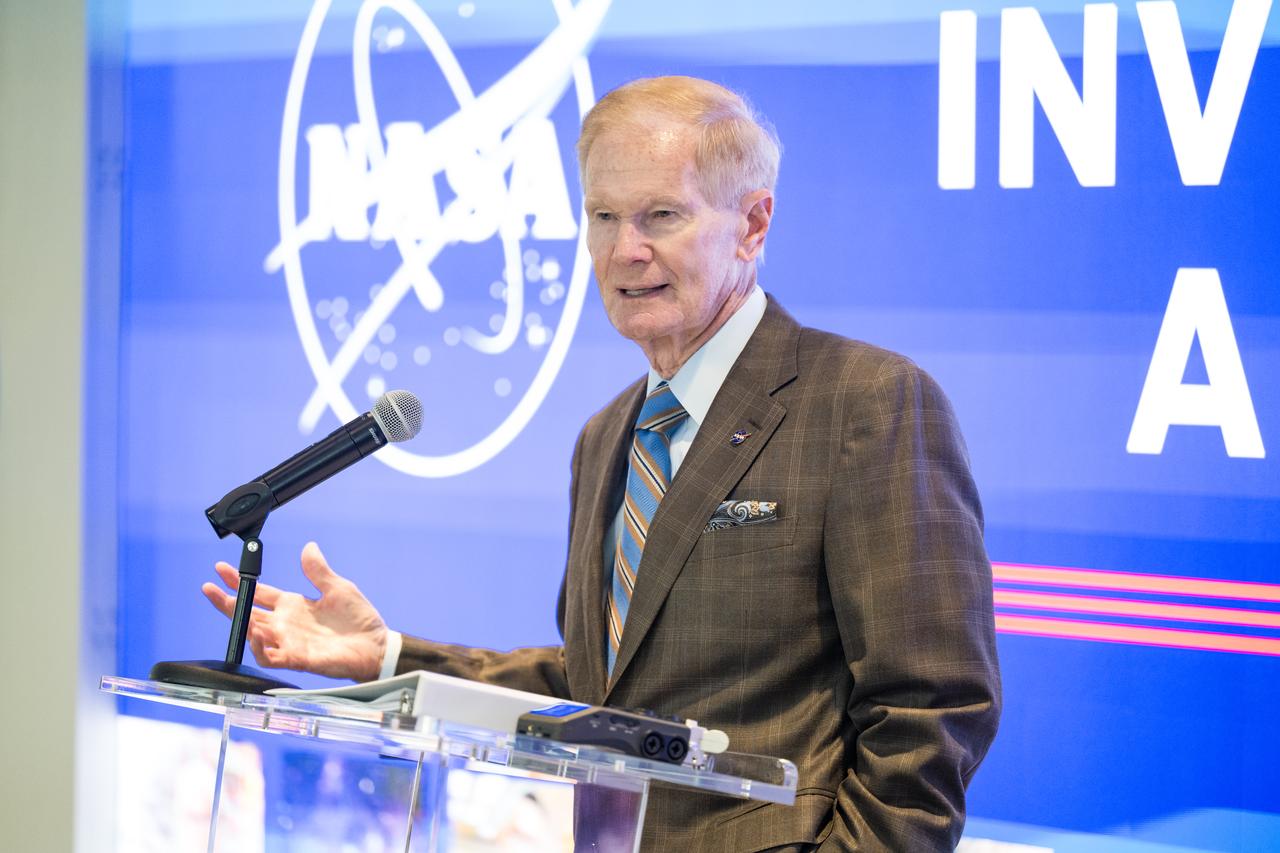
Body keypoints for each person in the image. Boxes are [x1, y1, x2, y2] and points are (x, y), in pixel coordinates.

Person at [204, 76, 1001, 851]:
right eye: (603, 215)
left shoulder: (866, 402)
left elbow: (931, 709)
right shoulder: (607, 435)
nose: (626, 250)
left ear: (753, 224)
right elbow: (600, 691)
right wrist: (385, 657)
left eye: (662, 214)